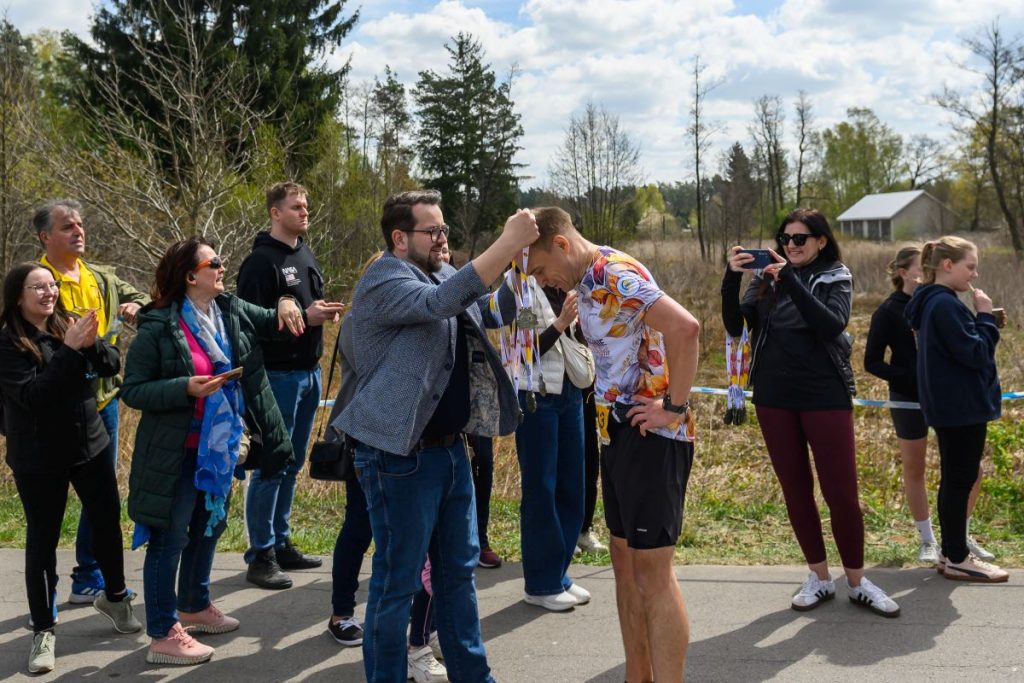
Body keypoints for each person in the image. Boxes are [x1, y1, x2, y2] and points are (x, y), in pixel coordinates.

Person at [335, 189, 534, 683]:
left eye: (445, 229)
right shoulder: (384, 279)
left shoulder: (441, 273)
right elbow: (440, 303)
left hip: (449, 452)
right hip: (398, 458)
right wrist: (505, 243)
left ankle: (473, 676)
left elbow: (494, 311)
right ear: (400, 238)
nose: (443, 238)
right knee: (397, 583)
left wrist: (518, 266)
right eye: (433, 230)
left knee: (458, 576)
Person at [523, 206, 698, 683]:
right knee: (624, 564)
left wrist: (674, 407)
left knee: (652, 574)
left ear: (561, 244)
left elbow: (686, 328)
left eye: (541, 269)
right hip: (616, 433)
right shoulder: (584, 282)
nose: (543, 281)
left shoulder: (611, 274)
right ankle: (636, 676)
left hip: (652, 437)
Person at [122, 237, 304, 664]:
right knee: (170, 539)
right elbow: (133, 390)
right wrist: (183, 387)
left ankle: (195, 605)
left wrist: (285, 300)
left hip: (219, 451)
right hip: (177, 452)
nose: (223, 268)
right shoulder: (158, 325)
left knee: (209, 528)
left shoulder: (226, 312)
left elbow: (272, 319)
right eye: (215, 263)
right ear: (191, 275)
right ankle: (162, 634)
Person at [722, 208, 900, 620]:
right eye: (785, 239)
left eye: (800, 238)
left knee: (842, 494)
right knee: (796, 490)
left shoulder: (836, 275)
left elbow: (830, 324)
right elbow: (736, 325)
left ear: (821, 240)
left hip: (823, 393)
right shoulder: (766, 278)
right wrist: (732, 278)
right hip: (773, 394)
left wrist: (790, 279)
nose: (791, 245)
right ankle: (819, 577)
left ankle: (857, 582)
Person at [0, 262, 141, 674]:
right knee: (43, 541)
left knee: (106, 523)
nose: (49, 293)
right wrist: (70, 349)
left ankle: (115, 597)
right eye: (38, 287)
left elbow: (110, 365)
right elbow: (35, 396)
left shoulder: (69, 323)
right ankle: (43, 629)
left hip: (89, 444)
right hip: (39, 457)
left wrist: (91, 344)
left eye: (52, 286)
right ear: (18, 296)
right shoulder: (8, 343)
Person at [33, 198, 150, 604]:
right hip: (56, 407)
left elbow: (150, 299)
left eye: (80, 224)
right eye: (67, 226)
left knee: (100, 497)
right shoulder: (35, 282)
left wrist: (137, 305)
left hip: (102, 402)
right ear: (45, 236)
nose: (78, 231)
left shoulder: (101, 277)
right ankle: (43, 600)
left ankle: (88, 575)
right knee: (47, 507)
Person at [237, 181, 345, 590]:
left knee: (293, 463)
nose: (304, 212)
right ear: (275, 212)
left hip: (309, 373)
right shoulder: (260, 262)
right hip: (276, 376)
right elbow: (248, 324)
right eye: (296, 207)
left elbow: (304, 308)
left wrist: (320, 313)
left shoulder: (305, 253)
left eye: (306, 206)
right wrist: (304, 315)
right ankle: (260, 554)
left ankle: (281, 542)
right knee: (271, 464)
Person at [863, 245, 990, 565]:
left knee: (969, 470)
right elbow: (872, 362)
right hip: (908, 398)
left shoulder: (943, 301)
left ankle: (958, 536)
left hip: (945, 396)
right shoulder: (888, 311)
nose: (928, 271)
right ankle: (927, 539)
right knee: (915, 467)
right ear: (903, 272)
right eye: (922, 267)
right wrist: (912, 377)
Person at [904, 236, 1008, 583]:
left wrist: (981, 323)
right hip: (961, 406)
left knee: (954, 479)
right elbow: (976, 354)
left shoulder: (930, 301)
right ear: (947, 265)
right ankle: (959, 558)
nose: (974, 275)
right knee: (960, 480)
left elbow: (957, 348)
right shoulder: (944, 304)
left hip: (948, 404)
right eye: (970, 267)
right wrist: (985, 318)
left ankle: (950, 552)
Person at [514, 278, 589, 611]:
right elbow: (523, 352)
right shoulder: (521, 287)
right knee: (541, 490)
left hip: (571, 393)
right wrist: (560, 324)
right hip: (537, 396)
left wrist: (582, 323)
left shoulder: (567, 285)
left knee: (572, 486)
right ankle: (540, 583)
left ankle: (558, 573)